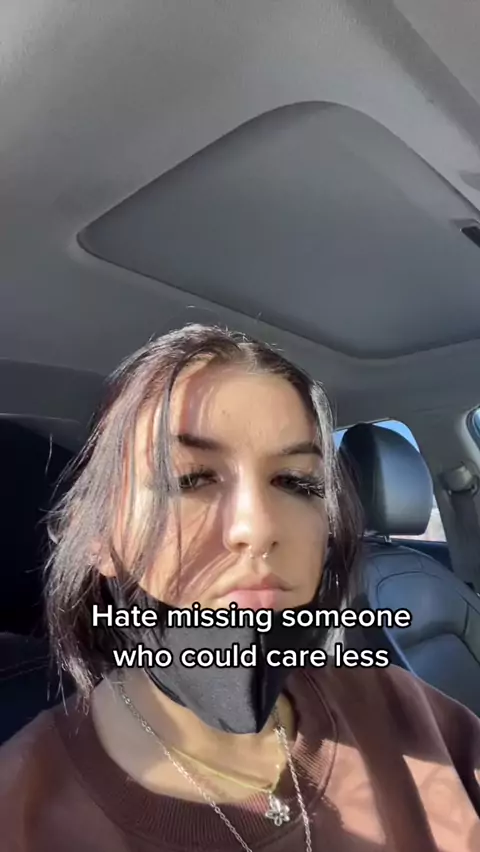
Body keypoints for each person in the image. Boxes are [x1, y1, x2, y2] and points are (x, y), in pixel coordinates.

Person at [0, 323, 479, 852]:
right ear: (98, 540)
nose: (258, 526)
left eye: (296, 482)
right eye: (188, 479)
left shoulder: (405, 709)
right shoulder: (19, 810)